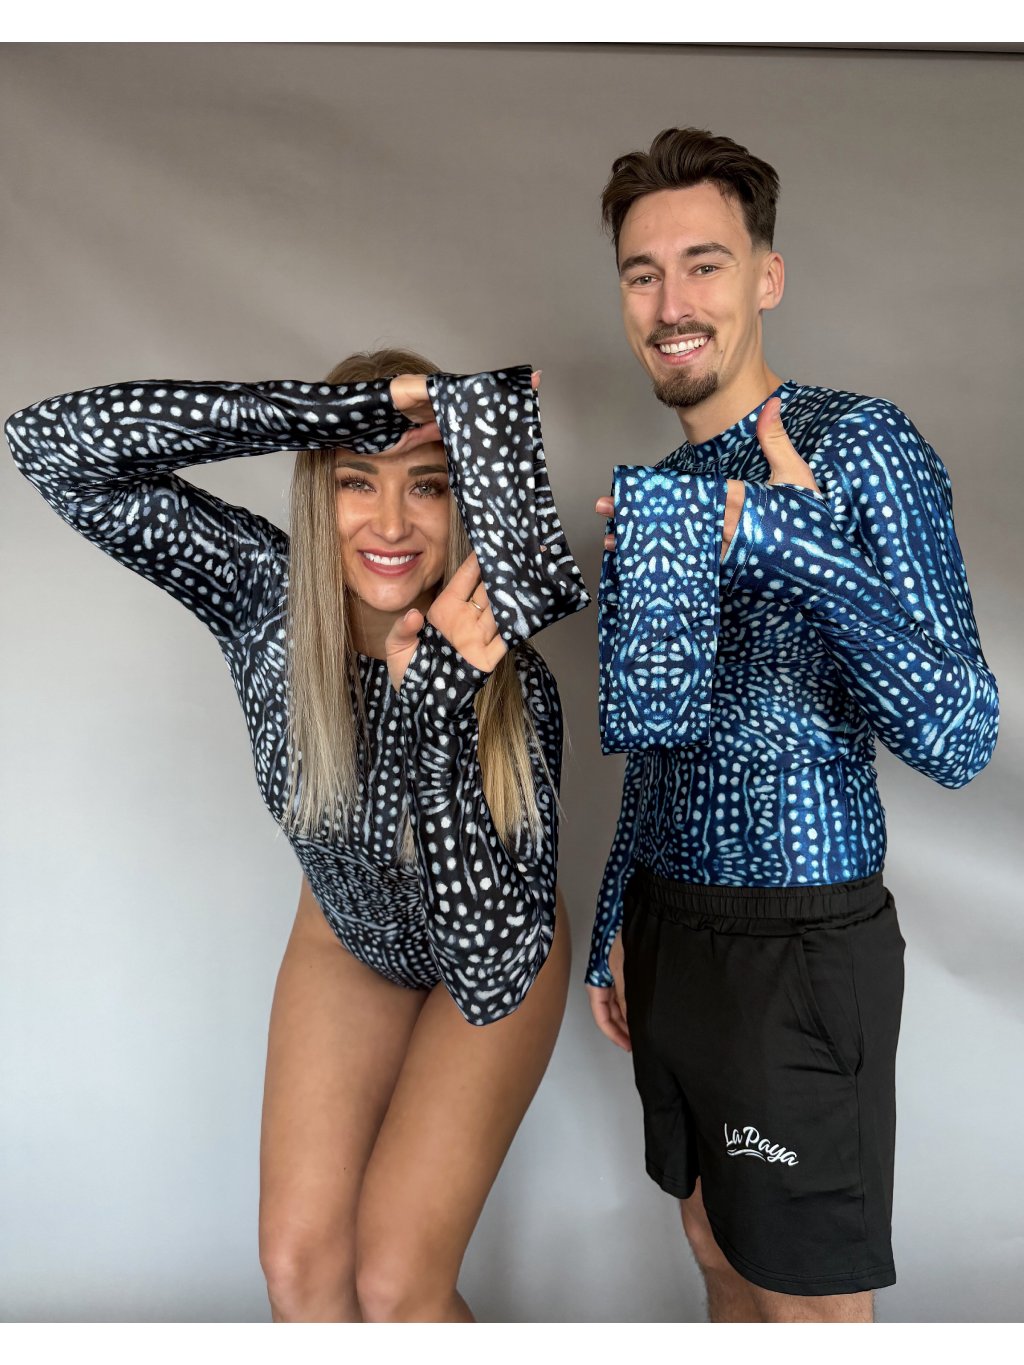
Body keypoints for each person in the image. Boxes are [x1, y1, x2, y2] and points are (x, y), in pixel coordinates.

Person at [6, 349, 589, 1322]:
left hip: (493, 956)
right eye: (357, 481)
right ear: (320, 491)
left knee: (396, 1285)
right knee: (299, 1268)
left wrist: (438, 707)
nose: (391, 524)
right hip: (345, 935)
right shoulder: (262, 600)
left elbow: (489, 969)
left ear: (466, 504)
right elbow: (54, 445)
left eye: (428, 485)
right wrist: (345, 411)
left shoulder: (514, 683)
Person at [585, 129, 999, 1323]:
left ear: (767, 276)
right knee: (715, 1249)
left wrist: (790, 544)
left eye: (704, 264)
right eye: (643, 273)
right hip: (671, 925)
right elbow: (663, 732)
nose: (671, 302)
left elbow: (960, 733)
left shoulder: (859, 443)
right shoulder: (667, 490)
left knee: (807, 1305)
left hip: (797, 938)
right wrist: (618, 910)